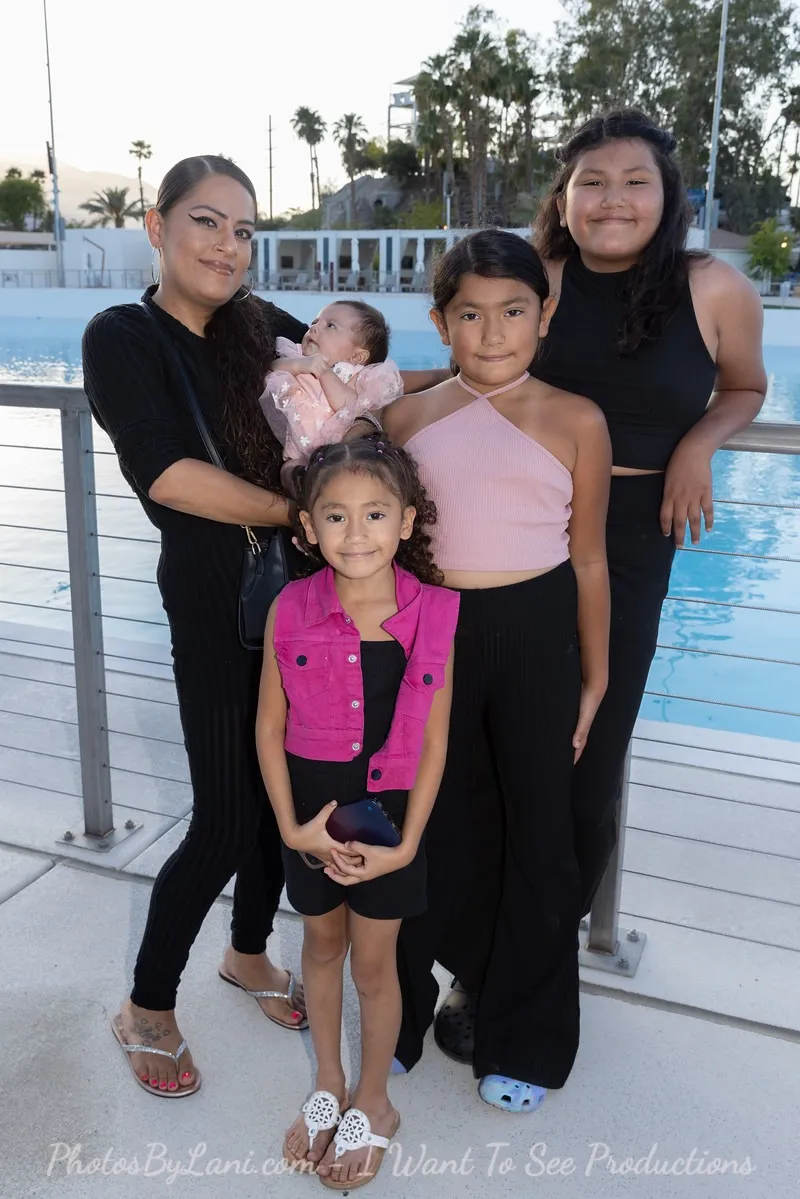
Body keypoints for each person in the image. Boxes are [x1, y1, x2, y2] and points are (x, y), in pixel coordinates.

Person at [432, 109, 768, 1073]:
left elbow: (744, 387)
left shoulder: (713, 287)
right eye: (592, 181)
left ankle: (532, 964)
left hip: (626, 540)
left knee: (584, 761)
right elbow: (471, 372)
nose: (612, 198)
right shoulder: (537, 280)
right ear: (564, 196)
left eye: (634, 181)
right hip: (523, 535)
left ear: (669, 196)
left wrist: (697, 446)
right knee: (486, 762)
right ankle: (476, 965)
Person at [82, 155, 373, 1097]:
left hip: (303, 597)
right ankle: (146, 1004)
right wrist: (299, 513)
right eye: (206, 222)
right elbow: (167, 475)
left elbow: (356, 375)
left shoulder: (259, 324)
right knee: (224, 816)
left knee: (285, 796)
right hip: (215, 599)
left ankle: (247, 952)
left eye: (243, 230)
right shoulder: (123, 335)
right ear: (157, 226)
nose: (227, 246)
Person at [382, 228, 611, 1112]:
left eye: (513, 311)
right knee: (422, 819)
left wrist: (594, 676)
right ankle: (400, 1015)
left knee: (540, 830)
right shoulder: (406, 420)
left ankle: (529, 1036)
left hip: (538, 630)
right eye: (470, 314)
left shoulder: (576, 419)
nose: (492, 332)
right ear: (441, 323)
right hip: (431, 632)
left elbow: (588, 558)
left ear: (543, 317)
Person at [256, 439, 458, 1187]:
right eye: (335, 516)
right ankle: (328, 1082)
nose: (356, 532)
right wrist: (291, 828)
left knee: (374, 964)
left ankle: (374, 1100)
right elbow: (267, 726)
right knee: (319, 946)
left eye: (375, 513)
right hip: (310, 817)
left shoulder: (435, 614)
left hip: (390, 823)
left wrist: (405, 846)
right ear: (309, 528)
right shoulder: (289, 606)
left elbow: (434, 741)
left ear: (406, 521)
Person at [260, 301, 402, 478]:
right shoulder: (296, 354)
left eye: (330, 326)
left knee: (341, 466)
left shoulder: (354, 375)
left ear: (356, 356)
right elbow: (272, 368)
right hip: (298, 447)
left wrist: (325, 372)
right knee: (289, 469)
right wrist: (299, 364)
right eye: (314, 322)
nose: (314, 328)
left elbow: (349, 405)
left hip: (334, 444)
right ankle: (301, 481)